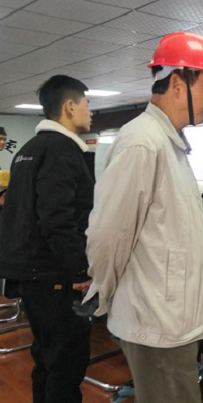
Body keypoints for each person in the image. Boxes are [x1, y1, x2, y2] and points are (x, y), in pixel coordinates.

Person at [79, 32, 203, 403]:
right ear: (177, 84)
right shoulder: (142, 143)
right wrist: (104, 294)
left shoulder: (168, 144)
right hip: (157, 324)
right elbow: (108, 235)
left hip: (171, 321)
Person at [0, 75, 94, 403]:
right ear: (69, 107)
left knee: (46, 358)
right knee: (66, 364)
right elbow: (56, 220)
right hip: (55, 276)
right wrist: (80, 270)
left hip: (32, 275)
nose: (90, 112)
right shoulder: (62, 150)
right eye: (87, 104)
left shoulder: (28, 149)